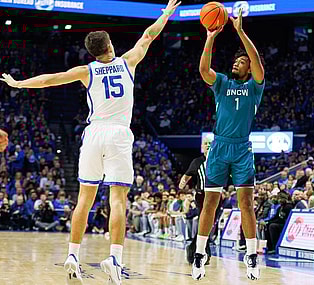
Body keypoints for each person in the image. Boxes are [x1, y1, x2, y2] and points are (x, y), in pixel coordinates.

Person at [0, 1, 180, 284]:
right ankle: (115, 259)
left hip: (94, 133)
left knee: (84, 199)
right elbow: (149, 35)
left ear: (92, 52)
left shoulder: (87, 71)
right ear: (110, 45)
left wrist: (19, 84)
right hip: (119, 134)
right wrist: (167, 13)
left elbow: (51, 80)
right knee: (118, 199)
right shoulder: (128, 61)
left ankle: (73, 254)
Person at [192, 8, 265, 281]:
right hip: (219, 148)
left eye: (242, 61)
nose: (237, 62)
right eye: (236, 60)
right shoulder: (221, 82)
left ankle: (251, 255)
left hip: (242, 149)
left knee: (246, 204)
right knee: (209, 203)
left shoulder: (256, 86)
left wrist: (240, 32)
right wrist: (210, 37)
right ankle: (200, 254)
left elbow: (256, 59)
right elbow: (203, 70)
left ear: (249, 68)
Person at [179, 137, 214, 265]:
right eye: (206, 144)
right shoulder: (197, 161)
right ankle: (202, 252)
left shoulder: (219, 160)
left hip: (216, 195)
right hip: (202, 195)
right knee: (205, 224)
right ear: (202, 147)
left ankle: (194, 249)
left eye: (210, 143)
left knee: (207, 225)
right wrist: (181, 185)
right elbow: (187, 175)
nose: (208, 145)